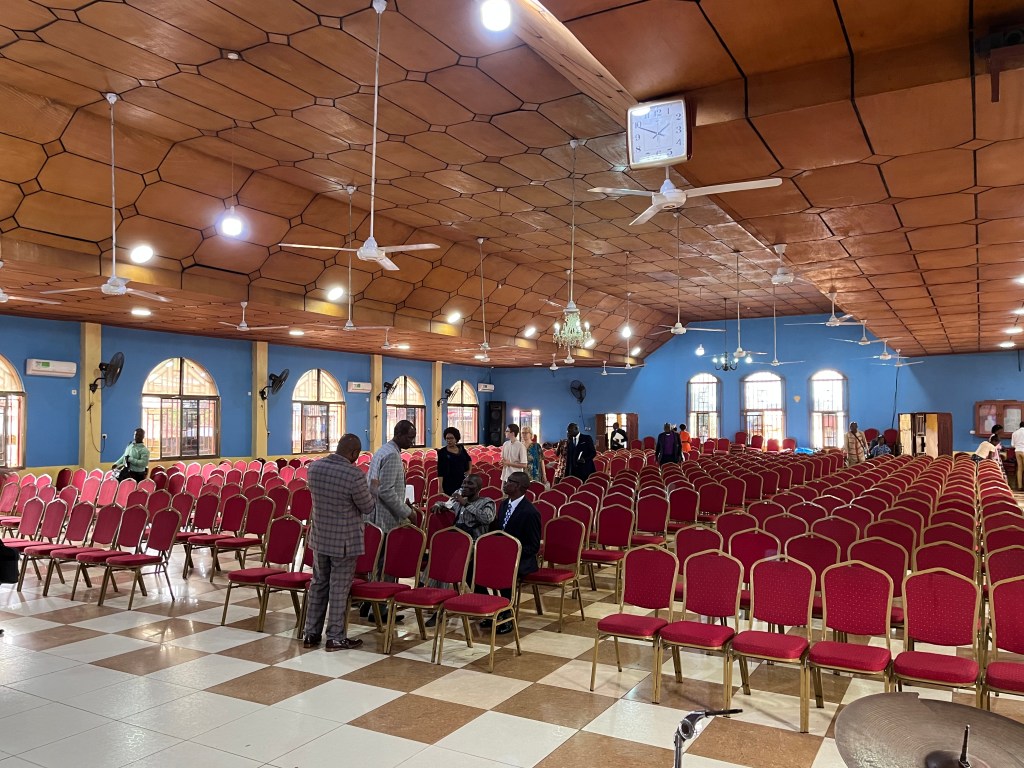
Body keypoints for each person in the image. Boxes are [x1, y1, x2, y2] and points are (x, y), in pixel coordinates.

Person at [302, 433, 374, 651]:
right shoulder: (354, 474)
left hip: (320, 537)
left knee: (318, 584)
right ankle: (335, 636)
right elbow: (367, 507)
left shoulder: (314, 468)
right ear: (353, 453)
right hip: (344, 541)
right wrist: (373, 491)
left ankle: (311, 633)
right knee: (339, 589)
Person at [365, 419, 420, 621]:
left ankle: (370, 604)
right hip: (385, 519)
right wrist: (407, 512)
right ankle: (380, 610)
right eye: (410, 437)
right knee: (386, 565)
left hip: (376, 515)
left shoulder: (382, 450)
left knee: (377, 564)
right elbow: (386, 491)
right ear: (399, 434)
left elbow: (379, 486)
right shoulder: (392, 456)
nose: (412, 442)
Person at [426, 472, 495, 627]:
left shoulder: (486, 502)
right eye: (464, 483)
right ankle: (435, 596)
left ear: (478, 488)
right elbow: (445, 504)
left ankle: (440, 606)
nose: (465, 486)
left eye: (470, 484)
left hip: (476, 544)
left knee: (448, 562)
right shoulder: (457, 500)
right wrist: (438, 506)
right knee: (440, 558)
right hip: (457, 543)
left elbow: (487, 518)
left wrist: (466, 504)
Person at [484, 471, 540, 635]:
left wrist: (511, 554)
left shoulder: (530, 512)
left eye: (510, 481)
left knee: (504, 569)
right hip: (502, 556)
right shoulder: (503, 504)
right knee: (473, 567)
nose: (505, 483)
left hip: (521, 559)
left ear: (519, 486)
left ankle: (507, 614)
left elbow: (533, 546)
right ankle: (490, 607)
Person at [436, 427, 471, 496]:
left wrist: (469, 470)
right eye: (447, 438)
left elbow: (469, 459)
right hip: (449, 483)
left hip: (462, 481)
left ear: (456, 438)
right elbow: (440, 471)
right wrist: (440, 488)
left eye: (451, 438)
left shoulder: (461, 448)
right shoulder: (442, 452)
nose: (449, 440)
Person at [1011, 423, 1024, 489]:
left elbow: (1012, 445)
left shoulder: (1014, 433)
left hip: (1017, 451)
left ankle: (1020, 486)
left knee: (1020, 469)